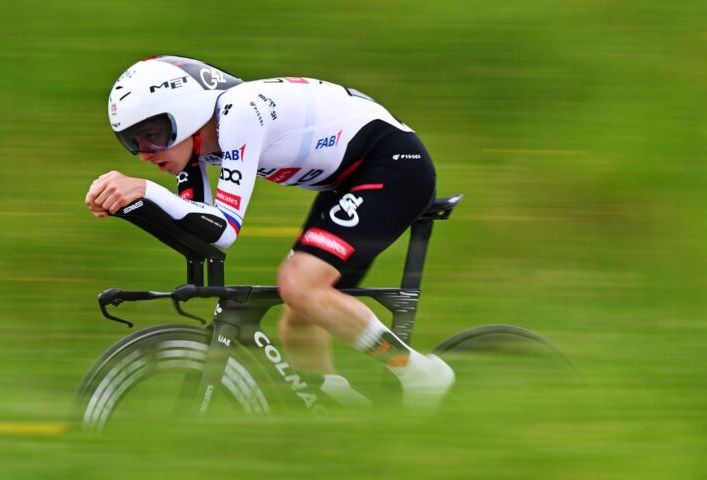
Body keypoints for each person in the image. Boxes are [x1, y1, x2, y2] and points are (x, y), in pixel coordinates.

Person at [85, 55, 454, 407]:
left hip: (393, 166)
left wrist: (147, 191)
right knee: (298, 317)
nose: (145, 153)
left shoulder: (240, 112)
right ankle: (346, 416)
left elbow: (224, 229)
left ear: (187, 114)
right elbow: (199, 229)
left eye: (152, 135)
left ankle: (420, 374)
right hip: (346, 181)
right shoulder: (194, 144)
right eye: (132, 141)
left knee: (300, 285)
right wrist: (133, 208)